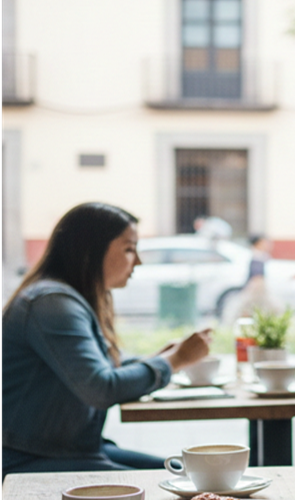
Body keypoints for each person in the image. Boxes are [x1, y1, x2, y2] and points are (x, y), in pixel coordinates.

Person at [1, 202, 213, 480]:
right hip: (24, 459)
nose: (137, 261)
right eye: (128, 249)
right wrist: (174, 361)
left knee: (192, 474)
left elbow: (101, 368)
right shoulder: (52, 303)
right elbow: (100, 388)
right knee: (181, 485)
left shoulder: (65, 298)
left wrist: (157, 359)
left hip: (66, 450)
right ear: (89, 251)